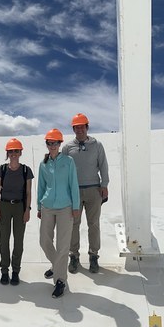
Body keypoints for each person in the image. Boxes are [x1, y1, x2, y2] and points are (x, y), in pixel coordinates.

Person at [61, 113, 109, 274]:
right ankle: (73, 255)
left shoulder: (97, 145)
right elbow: (63, 171)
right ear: (73, 129)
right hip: (74, 192)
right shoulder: (67, 148)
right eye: (77, 127)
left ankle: (93, 255)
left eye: (82, 126)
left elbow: (103, 165)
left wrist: (104, 185)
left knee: (93, 224)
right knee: (74, 224)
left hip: (94, 190)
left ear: (87, 127)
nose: (80, 129)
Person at [37, 129, 80, 298]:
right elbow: (40, 186)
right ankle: (57, 265)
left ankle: (60, 279)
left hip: (65, 207)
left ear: (60, 144)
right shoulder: (44, 163)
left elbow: (73, 185)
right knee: (44, 241)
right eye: (49, 143)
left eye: (55, 143)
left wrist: (75, 206)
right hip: (47, 206)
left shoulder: (68, 162)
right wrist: (39, 207)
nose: (52, 146)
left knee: (63, 245)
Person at [0, 138, 33, 286]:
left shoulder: (25, 170)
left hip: (19, 207)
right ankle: (4, 270)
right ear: (7, 153)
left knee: (18, 241)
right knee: (4, 241)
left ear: (20, 152)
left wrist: (27, 210)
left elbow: (28, 192)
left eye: (16, 151)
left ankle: (16, 271)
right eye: (11, 151)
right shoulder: (2, 169)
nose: (14, 154)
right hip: (4, 206)